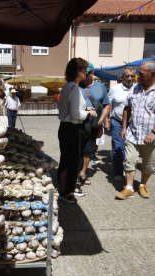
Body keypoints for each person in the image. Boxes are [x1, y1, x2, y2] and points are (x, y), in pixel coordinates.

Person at [116, 60, 155, 199]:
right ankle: (129, 188)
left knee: (148, 165)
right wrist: (124, 127)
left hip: (152, 136)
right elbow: (127, 108)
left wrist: (154, 132)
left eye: (141, 74)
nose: (137, 77)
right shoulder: (135, 88)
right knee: (129, 160)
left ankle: (142, 185)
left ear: (152, 73)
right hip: (133, 133)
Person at [57, 58, 96, 203]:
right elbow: (75, 114)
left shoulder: (67, 86)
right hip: (72, 128)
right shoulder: (74, 88)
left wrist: (85, 108)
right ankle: (66, 191)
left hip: (65, 127)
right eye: (85, 69)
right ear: (78, 71)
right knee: (72, 161)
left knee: (65, 159)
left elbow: (70, 108)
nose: (86, 72)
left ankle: (62, 188)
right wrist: (88, 113)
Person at [78, 62, 110, 186]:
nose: (84, 76)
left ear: (92, 73)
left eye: (87, 73)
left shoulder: (101, 87)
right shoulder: (76, 86)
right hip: (78, 122)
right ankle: (75, 171)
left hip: (94, 124)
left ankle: (82, 172)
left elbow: (107, 105)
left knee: (88, 149)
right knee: (77, 149)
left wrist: (101, 120)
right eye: (83, 73)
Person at [108, 67, 136, 182]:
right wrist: (107, 120)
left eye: (132, 76)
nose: (129, 78)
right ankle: (119, 171)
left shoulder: (138, 89)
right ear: (122, 77)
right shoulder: (114, 89)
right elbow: (108, 105)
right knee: (118, 147)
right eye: (127, 76)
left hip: (133, 123)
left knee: (131, 147)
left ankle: (128, 168)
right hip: (117, 121)